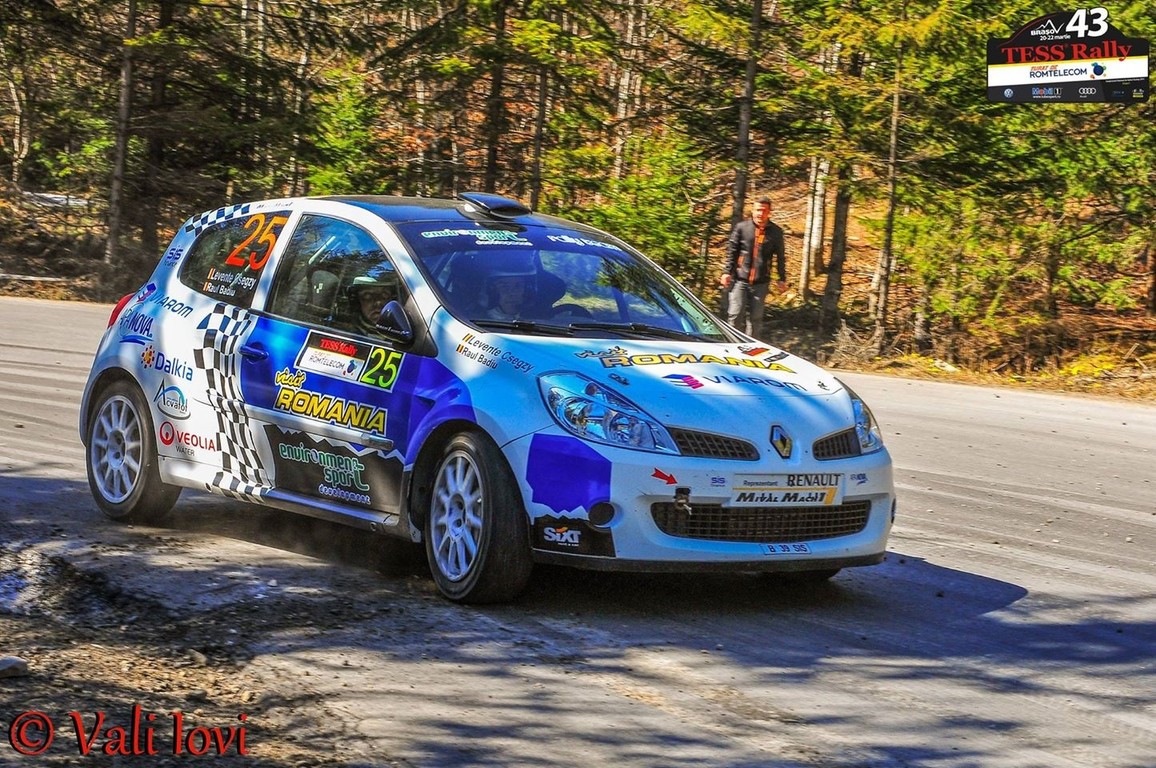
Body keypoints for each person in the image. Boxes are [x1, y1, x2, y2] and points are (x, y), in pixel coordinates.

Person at [720, 196, 786, 339]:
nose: (760, 214)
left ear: (769, 212)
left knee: (755, 319)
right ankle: (732, 344)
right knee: (735, 315)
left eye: (764, 210)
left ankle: (751, 347)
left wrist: (782, 278)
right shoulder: (742, 228)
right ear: (753, 211)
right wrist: (727, 272)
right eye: (758, 210)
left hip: (761, 282)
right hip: (740, 280)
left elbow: (780, 256)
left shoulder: (776, 232)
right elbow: (732, 252)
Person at [482, 252, 538, 321]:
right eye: (504, 286)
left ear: (527, 290)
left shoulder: (543, 320)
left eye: (518, 286)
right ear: (491, 291)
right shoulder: (472, 320)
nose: (512, 293)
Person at [346, 264, 399, 335]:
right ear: (357, 301)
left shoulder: (401, 331)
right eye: (368, 296)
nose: (378, 302)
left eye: (384, 295)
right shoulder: (347, 332)